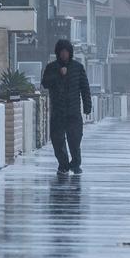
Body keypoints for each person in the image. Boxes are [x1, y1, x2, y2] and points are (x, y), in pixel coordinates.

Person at [41, 39, 92, 175]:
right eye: (62, 52)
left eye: (66, 52)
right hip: (58, 111)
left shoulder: (78, 68)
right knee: (58, 140)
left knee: (74, 139)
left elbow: (85, 88)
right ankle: (63, 165)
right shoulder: (51, 67)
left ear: (70, 53)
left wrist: (87, 106)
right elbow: (45, 83)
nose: (64, 54)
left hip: (73, 111)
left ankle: (75, 163)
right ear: (58, 53)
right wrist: (58, 74)